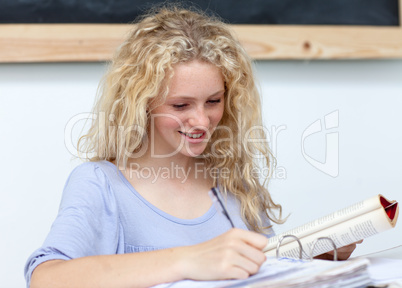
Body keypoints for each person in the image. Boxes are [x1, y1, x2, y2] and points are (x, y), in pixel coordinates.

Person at [24, 6, 359, 288]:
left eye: (213, 101)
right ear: (142, 105)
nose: (201, 121)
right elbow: (45, 278)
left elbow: (261, 272)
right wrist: (188, 259)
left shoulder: (233, 183)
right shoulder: (100, 184)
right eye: (181, 106)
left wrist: (315, 257)